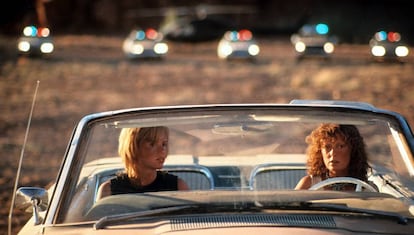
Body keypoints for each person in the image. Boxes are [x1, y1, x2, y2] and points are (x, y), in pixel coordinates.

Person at [97, 126, 189, 199]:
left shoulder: (178, 187)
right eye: (152, 144)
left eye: (164, 144)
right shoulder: (109, 190)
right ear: (133, 146)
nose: (162, 150)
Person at [295, 123, 374, 191]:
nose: (333, 153)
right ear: (319, 151)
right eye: (327, 147)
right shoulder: (308, 185)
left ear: (353, 150)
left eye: (340, 146)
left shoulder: (366, 188)